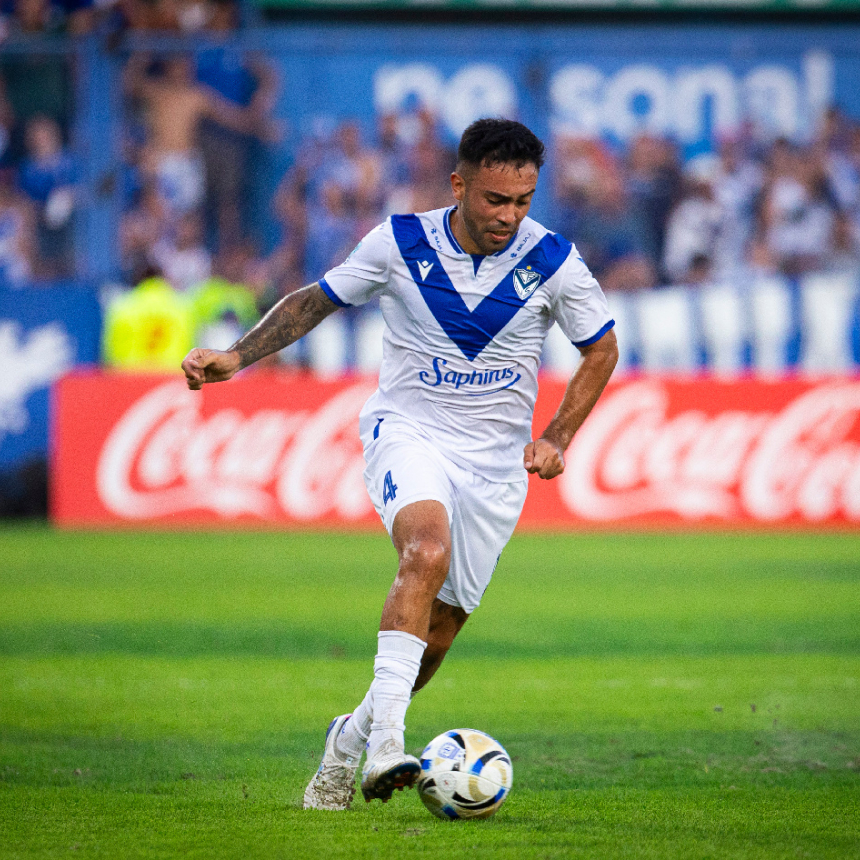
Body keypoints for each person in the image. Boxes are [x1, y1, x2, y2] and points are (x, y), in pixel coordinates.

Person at [181, 118, 618, 809]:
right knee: (425, 551)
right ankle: (388, 744)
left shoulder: (553, 260)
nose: (508, 216)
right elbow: (315, 300)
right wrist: (237, 356)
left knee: (435, 640)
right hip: (408, 432)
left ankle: (347, 740)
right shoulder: (400, 243)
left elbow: (601, 348)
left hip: (495, 467)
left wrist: (558, 436)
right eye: (494, 199)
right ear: (459, 185)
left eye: (522, 201)